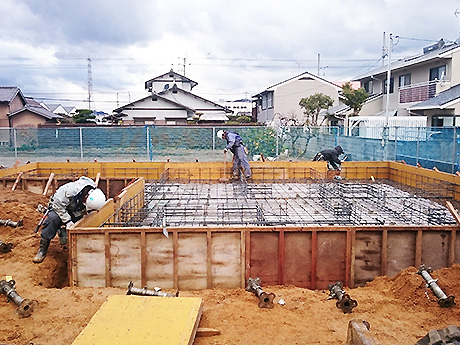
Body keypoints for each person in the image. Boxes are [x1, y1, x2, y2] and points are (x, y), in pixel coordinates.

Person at [33, 176, 106, 263]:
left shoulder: (91, 190)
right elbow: (58, 206)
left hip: (75, 210)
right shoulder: (67, 192)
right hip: (58, 208)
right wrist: (68, 221)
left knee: (81, 223)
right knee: (53, 220)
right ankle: (42, 250)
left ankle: (78, 245)